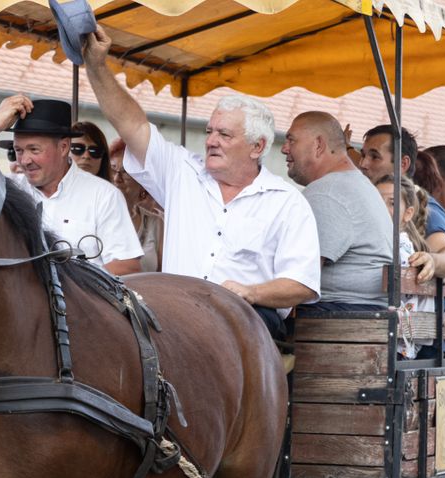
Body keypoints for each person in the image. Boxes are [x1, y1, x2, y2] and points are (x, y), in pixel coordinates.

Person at [81, 26, 320, 337]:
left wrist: (250, 292)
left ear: (257, 147)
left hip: (247, 320)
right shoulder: (182, 171)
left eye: (224, 134)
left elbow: (300, 283)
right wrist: (97, 66)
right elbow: (131, 124)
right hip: (173, 315)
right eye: (209, 131)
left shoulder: (286, 201)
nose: (211, 141)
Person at [0, 96, 143, 274]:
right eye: (18, 150)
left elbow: (127, 265)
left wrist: (67, 288)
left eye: (34, 149)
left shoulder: (103, 195)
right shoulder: (6, 190)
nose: (25, 160)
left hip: (80, 301)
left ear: (63, 147)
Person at [281, 111, 394, 310]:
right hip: (366, 311)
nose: (284, 149)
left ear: (318, 145)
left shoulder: (327, 191)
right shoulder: (356, 183)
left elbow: (301, 279)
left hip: (340, 312)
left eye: (291, 140)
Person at [358, 125, 445, 277]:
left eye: (374, 157)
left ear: (403, 164)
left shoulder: (424, 206)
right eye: (363, 155)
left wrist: (431, 260)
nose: (363, 164)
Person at [375, 174, 440, 358]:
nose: (383, 209)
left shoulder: (401, 249)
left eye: (392, 203)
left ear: (408, 213)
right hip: (392, 337)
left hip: (394, 342)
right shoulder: (388, 243)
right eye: (377, 201)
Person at [109, 138, 163, 272]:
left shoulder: (156, 223)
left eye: (126, 171)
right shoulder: (96, 217)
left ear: (143, 180)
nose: (117, 178)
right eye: (113, 169)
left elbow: (164, 275)